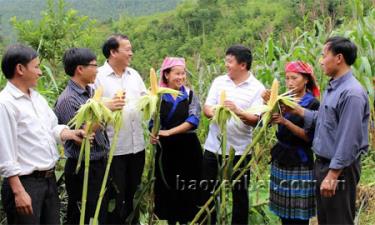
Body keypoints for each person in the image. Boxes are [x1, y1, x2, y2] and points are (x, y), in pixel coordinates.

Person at [0, 44, 85, 224]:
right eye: (36, 66)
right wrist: (18, 191)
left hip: (48, 180)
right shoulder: (5, 103)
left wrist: (70, 134)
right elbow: (4, 150)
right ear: (20, 69)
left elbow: (52, 128)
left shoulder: (36, 98)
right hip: (24, 184)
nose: (40, 72)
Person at [290, 36, 369, 225]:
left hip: (339, 168)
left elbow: (348, 139)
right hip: (324, 164)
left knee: (339, 220)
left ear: (339, 58)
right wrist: (298, 110)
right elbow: (325, 121)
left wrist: (333, 175)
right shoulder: (333, 88)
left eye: (324, 55)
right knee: (326, 219)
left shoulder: (352, 94)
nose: (321, 61)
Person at [54, 48, 124, 224]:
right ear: (80, 69)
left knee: (101, 214)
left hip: (99, 165)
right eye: (94, 65)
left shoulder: (91, 92)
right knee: (82, 216)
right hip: (83, 169)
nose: (97, 69)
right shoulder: (68, 100)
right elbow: (83, 133)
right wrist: (108, 109)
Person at [202, 44, 265, 224]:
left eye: (229, 61)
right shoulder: (219, 81)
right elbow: (207, 108)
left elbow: (256, 120)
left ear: (243, 65)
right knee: (208, 192)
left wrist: (237, 111)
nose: (226, 65)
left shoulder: (257, 88)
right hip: (213, 148)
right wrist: (217, 114)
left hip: (240, 151)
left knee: (240, 195)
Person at [95, 34, 147, 224]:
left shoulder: (134, 74)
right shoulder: (98, 76)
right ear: (113, 52)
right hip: (113, 151)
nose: (131, 53)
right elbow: (91, 105)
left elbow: (145, 97)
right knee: (116, 197)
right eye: (127, 49)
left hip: (137, 147)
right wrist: (108, 104)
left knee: (133, 194)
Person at [263, 61, 320, 225]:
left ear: (306, 80)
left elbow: (309, 138)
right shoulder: (284, 99)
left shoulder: (312, 104)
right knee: (283, 211)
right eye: (287, 78)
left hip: (299, 161)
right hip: (282, 158)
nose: (289, 82)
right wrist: (269, 104)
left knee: (298, 213)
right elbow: (268, 121)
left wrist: (285, 122)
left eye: (294, 78)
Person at [149, 57, 203, 224]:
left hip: (188, 149)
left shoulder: (190, 95)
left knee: (188, 187)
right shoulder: (157, 96)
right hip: (166, 151)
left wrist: (169, 132)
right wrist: (154, 133)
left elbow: (194, 120)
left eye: (183, 73)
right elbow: (151, 122)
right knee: (168, 186)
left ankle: (188, 220)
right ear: (166, 75)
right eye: (177, 73)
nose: (181, 77)